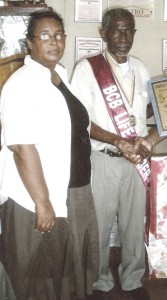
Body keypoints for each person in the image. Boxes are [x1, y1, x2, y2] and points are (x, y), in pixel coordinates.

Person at [0, 10, 99, 300]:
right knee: (37, 274)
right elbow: (22, 146)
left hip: (71, 189)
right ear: (29, 43)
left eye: (58, 35)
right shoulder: (22, 83)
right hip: (35, 197)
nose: (53, 41)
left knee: (64, 271)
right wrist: (42, 201)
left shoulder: (60, 78)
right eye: (44, 35)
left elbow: (82, 125)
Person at [71, 8, 154, 300]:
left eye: (128, 30)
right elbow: (82, 120)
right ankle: (99, 281)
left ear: (134, 33)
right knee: (101, 225)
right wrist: (119, 140)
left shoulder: (141, 68)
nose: (123, 37)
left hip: (135, 161)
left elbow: (144, 114)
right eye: (116, 30)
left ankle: (133, 279)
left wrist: (149, 137)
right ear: (103, 33)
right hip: (104, 159)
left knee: (134, 224)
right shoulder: (87, 68)